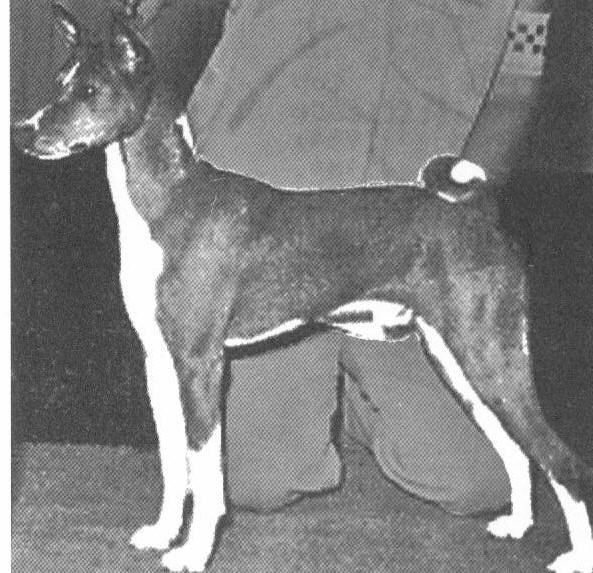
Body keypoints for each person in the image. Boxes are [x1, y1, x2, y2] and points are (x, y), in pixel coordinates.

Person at [186, 0, 552, 514]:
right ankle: (305, 384)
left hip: (399, 253)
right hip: (274, 244)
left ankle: (352, 396)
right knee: (257, 483)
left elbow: (517, 84)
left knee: (484, 483)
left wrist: (471, 193)